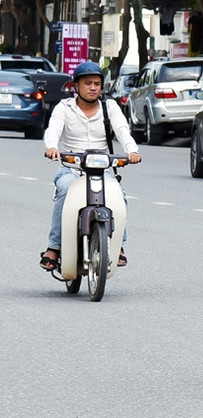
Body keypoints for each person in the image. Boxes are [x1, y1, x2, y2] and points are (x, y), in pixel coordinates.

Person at [39, 61, 141, 272]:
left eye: (96, 83)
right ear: (76, 86)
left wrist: (132, 151)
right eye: (88, 83)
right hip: (71, 168)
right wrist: (52, 147)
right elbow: (53, 129)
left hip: (102, 170)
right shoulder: (64, 107)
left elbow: (122, 130)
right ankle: (54, 247)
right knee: (65, 190)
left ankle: (118, 244)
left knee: (119, 194)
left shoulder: (109, 107)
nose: (93, 87)